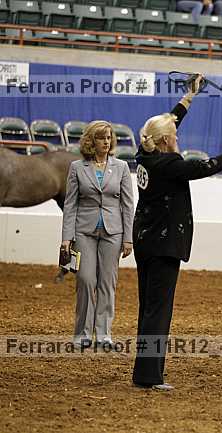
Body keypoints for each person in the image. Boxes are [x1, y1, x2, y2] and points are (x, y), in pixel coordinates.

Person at [131, 75, 222, 391]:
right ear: (166, 141)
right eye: (174, 135)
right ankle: (149, 376)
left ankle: (144, 372)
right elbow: (206, 167)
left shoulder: (145, 153)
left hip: (145, 241)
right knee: (158, 311)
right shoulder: (170, 165)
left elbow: (170, 120)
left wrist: (189, 97)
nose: (177, 137)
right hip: (164, 244)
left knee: (149, 307)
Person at [61, 121, 134, 350]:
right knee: (85, 279)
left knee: (107, 282)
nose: (106, 142)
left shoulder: (122, 167)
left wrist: (128, 237)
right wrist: (66, 237)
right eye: (102, 137)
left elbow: (128, 205)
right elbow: (70, 204)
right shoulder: (76, 167)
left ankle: (104, 334)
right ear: (91, 141)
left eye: (109, 137)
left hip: (114, 232)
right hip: (84, 231)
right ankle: (82, 333)